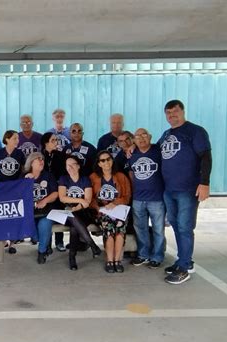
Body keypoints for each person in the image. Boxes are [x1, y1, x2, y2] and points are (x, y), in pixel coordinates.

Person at [160, 100, 212, 285]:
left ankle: (184, 268)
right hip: (169, 189)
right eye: (168, 112)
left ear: (182, 111)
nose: (171, 115)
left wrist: (204, 183)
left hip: (187, 189)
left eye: (175, 111)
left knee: (185, 227)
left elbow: (205, 156)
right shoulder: (166, 134)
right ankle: (185, 261)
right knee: (175, 224)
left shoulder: (195, 131)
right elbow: (155, 152)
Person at [128, 128, 165, 269]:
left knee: (158, 230)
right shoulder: (132, 153)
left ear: (150, 136)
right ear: (134, 140)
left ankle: (157, 256)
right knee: (140, 229)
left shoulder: (158, 150)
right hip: (138, 198)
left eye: (144, 135)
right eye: (137, 136)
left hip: (156, 198)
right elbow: (131, 174)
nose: (141, 138)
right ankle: (143, 255)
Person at [90, 151, 131, 274]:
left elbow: (127, 196)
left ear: (112, 161)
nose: (106, 162)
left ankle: (117, 261)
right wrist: (98, 208)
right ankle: (109, 261)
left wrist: (116, 203)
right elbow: (90, 198)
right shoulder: (93, 177)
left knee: (119, 231)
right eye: (103, 160)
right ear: (99, 164)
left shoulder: (121, 176)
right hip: (102, 212)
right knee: (109, 231)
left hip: (118, 210)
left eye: (108, 159)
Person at [58, 155, 101, 270]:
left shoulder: (85, 179)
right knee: (72, 218)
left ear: (78, 166)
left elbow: (88, 201)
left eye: (73, 164)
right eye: (68, 165)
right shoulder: (63, 179)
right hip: (67, 214)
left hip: (83, 213)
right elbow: (62, 198)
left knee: (74, 227)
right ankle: (92, 245)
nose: (70, 167)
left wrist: (76, 207)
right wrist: (80, 200)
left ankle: (72, 257)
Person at [24, 152, 58, 264]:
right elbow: (18, 194)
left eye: (42, 159)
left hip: (47, 211)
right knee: (36, 237)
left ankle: (42, 252)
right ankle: (45, 242)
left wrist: (45, 200)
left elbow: (55, 193)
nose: (41, 161)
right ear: (31, 162)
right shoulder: (24, 176)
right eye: (38, 159)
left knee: (45, 224)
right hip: (30, 212)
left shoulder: (48, 176)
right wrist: (26, 182)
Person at [41, 132, 66, 252]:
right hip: (45, 189)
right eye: (53, 140)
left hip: (59, 187)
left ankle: (60, 241)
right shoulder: (40, 155)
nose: (56, 142)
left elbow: (64, 173)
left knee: (59, 212)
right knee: (47, 214)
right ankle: (47, 243)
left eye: (56, 140)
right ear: (46, 143)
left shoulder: (61, 155)